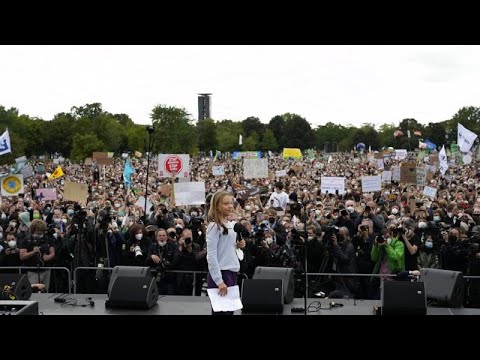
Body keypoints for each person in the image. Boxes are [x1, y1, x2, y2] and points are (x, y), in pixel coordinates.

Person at [206, 191, 240, 315]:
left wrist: (238, 246)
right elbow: (211, 255)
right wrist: (219, 281)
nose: (230, 206)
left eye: (231, 203)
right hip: (221, 274)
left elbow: (226, 249)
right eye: (226, 203)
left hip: (231, 272)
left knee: (229, 313)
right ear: (216, 206)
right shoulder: (214, 226)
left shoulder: (230, 225)